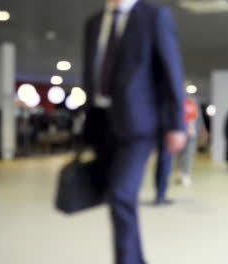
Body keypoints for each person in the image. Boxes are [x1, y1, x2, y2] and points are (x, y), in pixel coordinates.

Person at [82, 0, 186, 263]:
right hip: (102, 123)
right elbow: (91, 72)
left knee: (121, 194)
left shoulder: (154, 17)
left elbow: (172, 70)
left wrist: (177, 123)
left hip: (140, 123)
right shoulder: (94, 23)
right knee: (118, 199)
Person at [175, 96, 200, 186]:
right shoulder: (180, 104)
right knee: (182, 154)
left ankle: (184, 174)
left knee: (187, 154)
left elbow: (198, 120)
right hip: (182, 133)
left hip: (191, 134)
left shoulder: (193, 105)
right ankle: (182, 173)